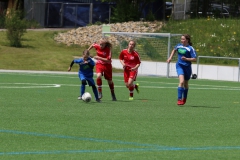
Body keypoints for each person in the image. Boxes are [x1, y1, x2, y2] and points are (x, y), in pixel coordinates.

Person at [167, 34, 197, 105]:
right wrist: (170, 58)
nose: (182, 40)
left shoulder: (190, 48)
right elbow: (174, 50)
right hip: (179, 66)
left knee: (186, 84)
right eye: (181, 39)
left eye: (183, 39)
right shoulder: (178, 45)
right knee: (181, 81)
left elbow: (194, 59)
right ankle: (179, 99)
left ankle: (184, 98)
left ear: (187, 40)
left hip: (187, 67)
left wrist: (186, 59)